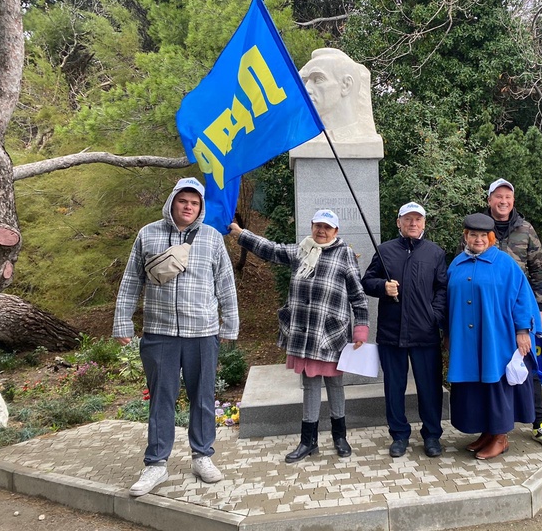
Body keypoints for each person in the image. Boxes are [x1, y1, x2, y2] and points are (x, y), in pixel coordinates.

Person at [113, 177, 239, 497]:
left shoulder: (211, 238)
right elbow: (131, 280)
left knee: (202, 398)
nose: (188, 207)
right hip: (159, 333)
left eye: (195, 203)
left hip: (203, 333)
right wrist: (122, 323)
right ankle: (156, 463)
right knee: (162, 400)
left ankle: (202, 456)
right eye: (183, 201)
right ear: (172, 202)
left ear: (201, 208)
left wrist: (230, 326)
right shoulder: (148, 234)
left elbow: (225, 284)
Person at [228, 209, 369, 462]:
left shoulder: (344, 253)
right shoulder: (302, 250)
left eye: (327, 227)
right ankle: (308, 441)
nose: (321, 231)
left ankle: (340, 437)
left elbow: (358, 296)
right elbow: (270, 249)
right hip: (305, 334)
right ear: (312, 226)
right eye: (317, 226)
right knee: (311, 385)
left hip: (331, 333)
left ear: (336, 231)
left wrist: (361, 328)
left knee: (335, 385)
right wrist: (242, 234)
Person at [446, 213, 541, 460]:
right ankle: (487, 433)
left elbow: (522, 298)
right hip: (466, 342)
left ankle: (500, 437)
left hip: (496, 338)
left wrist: (523, 332)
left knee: (495, 384)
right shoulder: (456, 264)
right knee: (475, 387)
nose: (478, 240)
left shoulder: (505, 264)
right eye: (472, 235)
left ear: (490, 237)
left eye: (482, 236)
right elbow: (447, 302)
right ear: (466, 237)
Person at [361, 202, 447, 458]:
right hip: (391, 333)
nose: (413, 223)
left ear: (424, 223)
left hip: (425, 333)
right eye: (407, 219)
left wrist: (435, 315)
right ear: (398, 222)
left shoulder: (435, 253)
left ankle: (432, 435)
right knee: (394, 387)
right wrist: (382, 287)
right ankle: (399, 435)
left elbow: (442, 288)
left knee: (429, 388)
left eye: (417, 219)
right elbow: (367, 281)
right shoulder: (385, 250)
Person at [485, 178, 542, 448]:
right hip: (490, 312)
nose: (503, 202)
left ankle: (539, 422)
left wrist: (540, 308)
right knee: (496, 367)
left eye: (508, 197)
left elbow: (539, 271)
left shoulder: (526, 229)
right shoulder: (479, 229)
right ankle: (494, 427)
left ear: (513, 201)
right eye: (498, 197)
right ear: (489, 200)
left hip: (522, 310)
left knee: (530, 367)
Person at [299, 47, 377, 142]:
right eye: (305, 81)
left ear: (346, 85)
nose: (307, 89)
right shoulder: (304, 140)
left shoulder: (367, 141)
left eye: (318, 79)